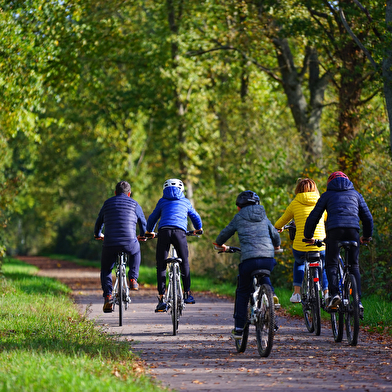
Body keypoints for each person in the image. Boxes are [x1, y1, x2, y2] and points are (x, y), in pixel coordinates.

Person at [214, 190, 281, 340]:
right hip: (267, 258)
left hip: (249, 260)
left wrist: (219, 243)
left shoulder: (239, 217)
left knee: (243, 291)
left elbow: (226, 232)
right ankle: (272, 301)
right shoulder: (263, 216)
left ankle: (238, 328)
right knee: (265, 276)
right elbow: (275, 234)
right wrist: (276, 246)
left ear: (239, 207)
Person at [304, 171, 373, 311]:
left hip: (334, 231)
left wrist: (308, 235)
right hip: (353, 231)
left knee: (331, 264)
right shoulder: (356, 194)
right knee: (354, 266)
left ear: (329, 183)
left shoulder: (327, 195)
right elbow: (368, 218)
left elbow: (314, 217)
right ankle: (358, 302)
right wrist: (366, 236)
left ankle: (335, 294)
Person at [145, 178, 203, 312]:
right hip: (179, 233)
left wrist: (149, 231)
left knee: (161, 264)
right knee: (184, 263)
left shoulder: (162, 201)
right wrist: (198, 228)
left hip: (164, 232)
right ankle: (187, 294)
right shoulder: (185, 201)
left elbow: (153, 217)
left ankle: (161, 298)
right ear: (182, 189)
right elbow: (195, 216)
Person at [94, 181, 147, 313]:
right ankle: (133, 279)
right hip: (130, 242)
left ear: (115, 193)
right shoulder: (135, 204)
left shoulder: (107, 203)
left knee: (106, 269)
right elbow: (143, 222)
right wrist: (142, 235)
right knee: (136, 252)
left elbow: (99, 221)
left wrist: (97, 234)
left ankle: (108, 296)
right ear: (129, 194)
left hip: (110, 242)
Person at [274, 178, 329, 303]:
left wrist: (279, 227)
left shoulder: (295, 203)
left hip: (301, 245)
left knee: (299, 263)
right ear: (315, 189)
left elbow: (280, 222)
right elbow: (327, 217)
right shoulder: (321, 202)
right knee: (324, 265)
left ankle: (296, 294)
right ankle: (327, 293)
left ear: (298, 189)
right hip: (320, 244)